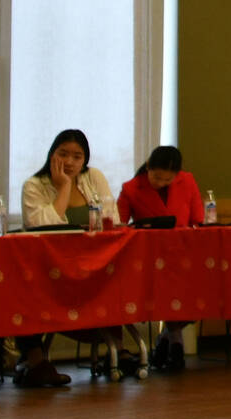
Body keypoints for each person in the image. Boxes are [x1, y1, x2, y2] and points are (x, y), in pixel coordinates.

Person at [17, 130, 138, 386]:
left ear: (85, 160)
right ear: (52, 154)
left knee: (118, 275)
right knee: (24, 288)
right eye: (63, 154)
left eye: (77, 156)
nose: (70, 162)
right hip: (50, 268)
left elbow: (111, 220)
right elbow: (42, 226)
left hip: (94, 262)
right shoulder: (34, 185)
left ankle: (118, 349)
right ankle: (35, 360)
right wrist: (64, 187)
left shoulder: (94, 177)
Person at [117, 145, 202, 372]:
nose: (161, 183)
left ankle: (167, 337)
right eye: (156, 177)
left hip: (184, 254)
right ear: (148, 168)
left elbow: (198, 218)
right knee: (168, 290)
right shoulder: (130, 189)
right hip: (149, 258)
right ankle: (174, 343)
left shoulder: (188, 181)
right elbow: (119, 225)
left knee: (200, 292)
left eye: (167, 180)